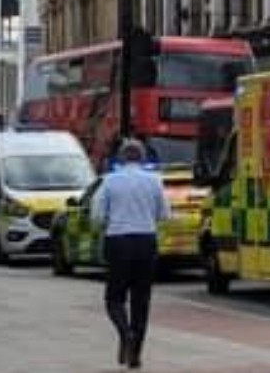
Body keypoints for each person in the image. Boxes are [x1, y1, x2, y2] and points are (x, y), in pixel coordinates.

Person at [92, 137, 170, 370]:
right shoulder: (155, 181)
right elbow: (165, 214)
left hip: (118, 241)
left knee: (114, 298)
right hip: (146, 241)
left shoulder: (109, 181)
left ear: (121, 157)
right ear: (143, 157)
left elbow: (96, 215)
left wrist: (109, 222)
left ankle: (125, 333)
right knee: (141, 301)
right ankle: (135, 355)